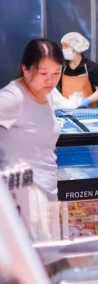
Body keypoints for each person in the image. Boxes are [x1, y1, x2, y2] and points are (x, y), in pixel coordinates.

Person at [0, 39, 63, 240]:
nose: (50, 80)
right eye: (43, 73)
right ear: (25, 69)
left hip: (47, 186)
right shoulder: (13, 98)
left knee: (49, 251)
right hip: (24, 192)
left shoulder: (47, 94)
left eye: (56, 73)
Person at [57, 32, 98, 108]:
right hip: (66, 111)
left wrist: (88, 100)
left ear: (76, 48)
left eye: (66, 46)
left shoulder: (92, 67)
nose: (63, 49)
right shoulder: (62, 67)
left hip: (87, 112)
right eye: (62, 46)